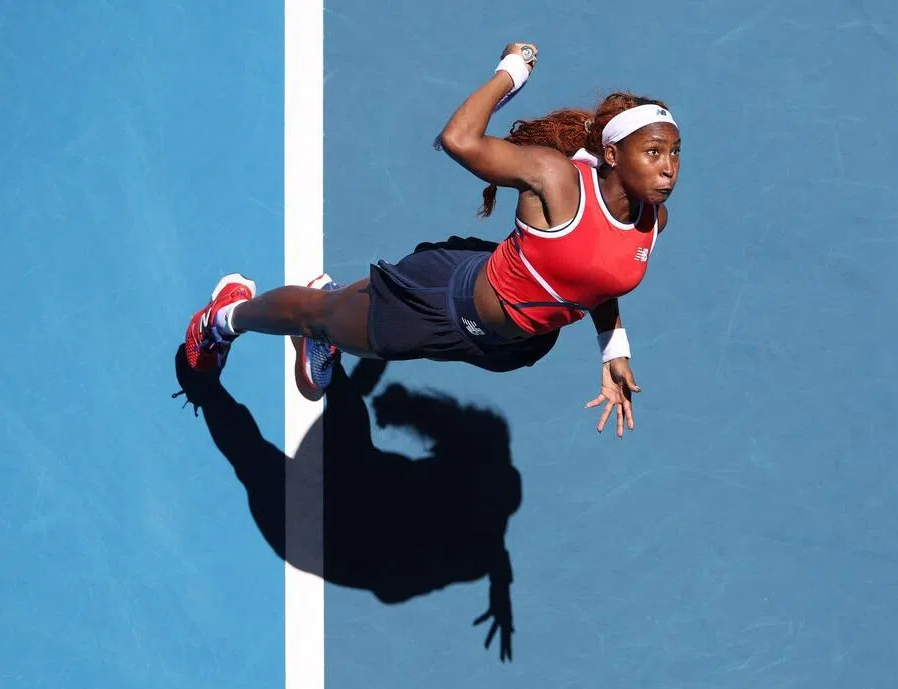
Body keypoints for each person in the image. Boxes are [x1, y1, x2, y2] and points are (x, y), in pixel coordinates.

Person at [181, 41, 681, 438]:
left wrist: (612, 345)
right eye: (654, 152)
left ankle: (330, 321)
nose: (668, 167)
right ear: (613, 155)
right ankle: (223, 320)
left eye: (674, 152)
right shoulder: (555, 180)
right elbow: (459, 140)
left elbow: (599, 274)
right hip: (443, 304)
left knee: (353, 328)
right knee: (321, 319)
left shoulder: (652, 220)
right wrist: (512, 72)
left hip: (512, 342)